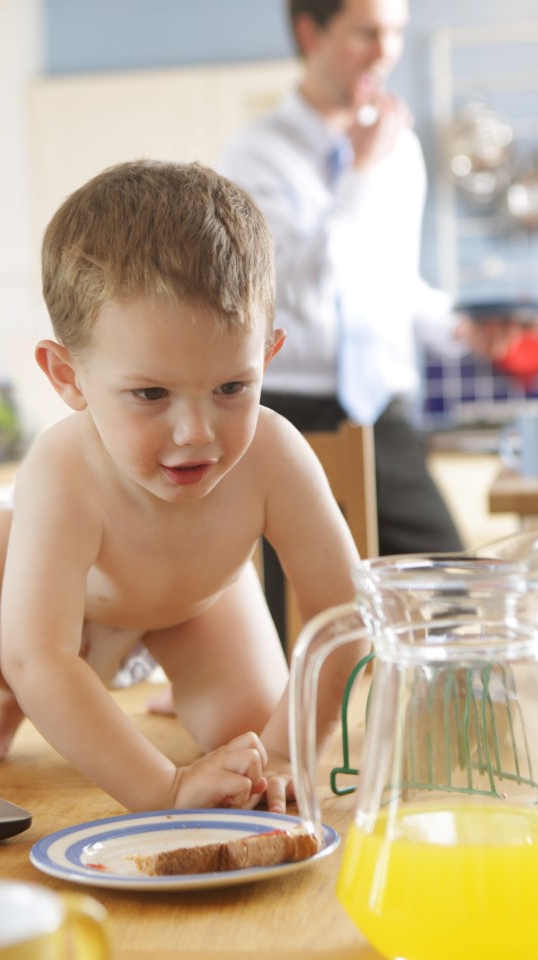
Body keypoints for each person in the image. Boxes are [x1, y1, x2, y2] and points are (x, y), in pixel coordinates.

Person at [0, 160, 366, 813]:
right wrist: (165, 787)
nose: (195, 432)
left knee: (242, 737)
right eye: (151, 394)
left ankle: (176, 673)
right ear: (67, 376)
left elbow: (344, 617)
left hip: (199, 601)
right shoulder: (61, 467)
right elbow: (40, 657)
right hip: (78, 617)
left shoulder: (276, 453)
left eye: (231, 388)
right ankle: (5, 696)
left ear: (266, 359)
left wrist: (283, 754)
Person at [219, 0, 519, 642]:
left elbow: (390, 281)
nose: (386, 52)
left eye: (396, 34)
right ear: (310, 33)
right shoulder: (255, 156)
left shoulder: (400, 151)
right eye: (366, 32)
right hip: (295, 418)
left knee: (456, 596)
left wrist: (459, 329)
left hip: (381, 412)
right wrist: (358, 170)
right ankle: (281, 741)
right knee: (295, 625)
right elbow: (294, 290)